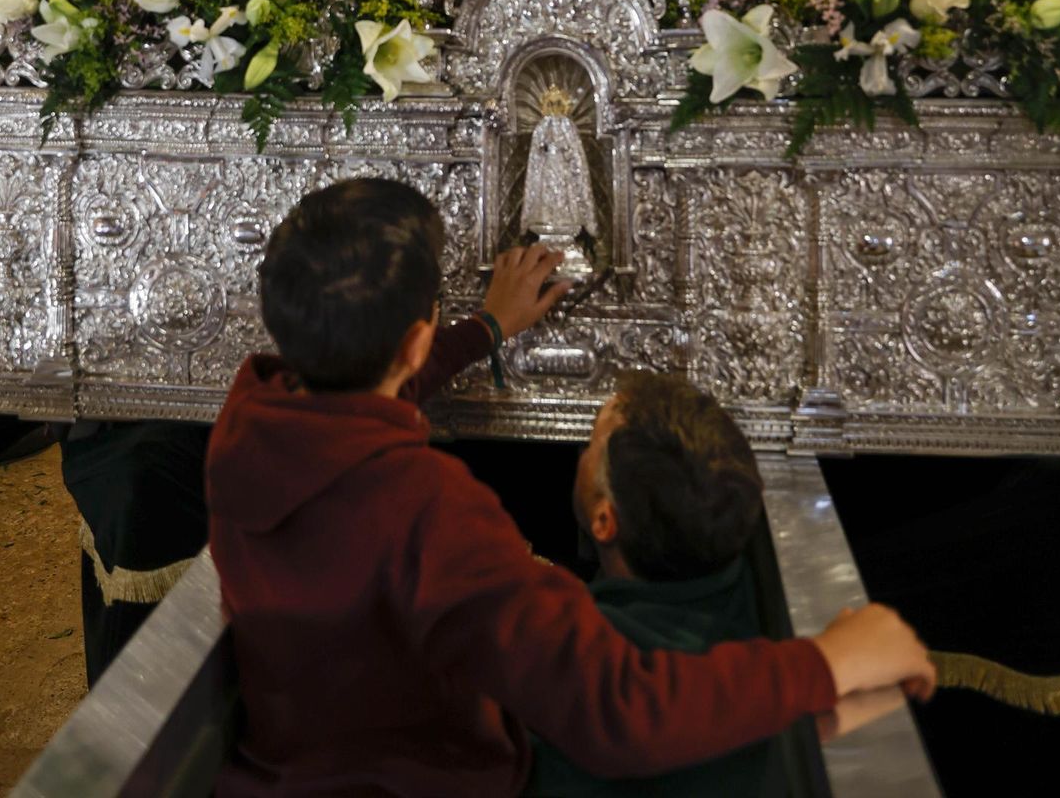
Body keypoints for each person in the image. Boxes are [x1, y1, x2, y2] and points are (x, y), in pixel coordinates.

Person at [207, 177, 934, 797]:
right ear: (415, 343)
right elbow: (617, 713)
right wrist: (825, 661)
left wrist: (485, 328)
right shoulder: (431, 509)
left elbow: (361, 402)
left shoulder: (250, 418)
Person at [526, 372, 781, 796]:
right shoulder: (737, 572)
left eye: (591, 446)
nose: (581, 454)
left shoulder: (572, 684)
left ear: (605, 522)